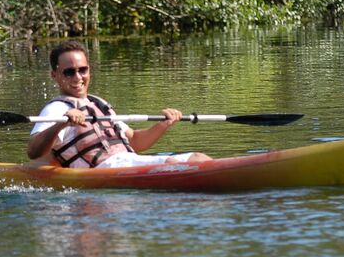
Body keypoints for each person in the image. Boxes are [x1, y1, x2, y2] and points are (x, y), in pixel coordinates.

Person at [26, 40, 212, 168]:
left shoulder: (99, 103)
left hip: (129, 162)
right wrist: (62, 123)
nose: (78, 77)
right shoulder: (55, 109)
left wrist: (163, 125)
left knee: (200, 158)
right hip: (102, 170)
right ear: (55, 76)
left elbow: (136, 141)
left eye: (83, 70)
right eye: (69, 72)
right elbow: (34, 151)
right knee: (190, 161)